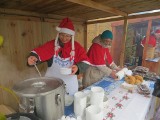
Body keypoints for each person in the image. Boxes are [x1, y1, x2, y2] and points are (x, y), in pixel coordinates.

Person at [27, 17, 90, 95]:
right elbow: (39, 53)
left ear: (71, 36)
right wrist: (33, 58)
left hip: (70, 85)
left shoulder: (77, 47)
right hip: (51, 85)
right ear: (58, 34)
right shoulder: (51, 45)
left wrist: (77, 68)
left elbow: (86, 61)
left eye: (68, 36)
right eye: (62, 35)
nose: (64, 38)